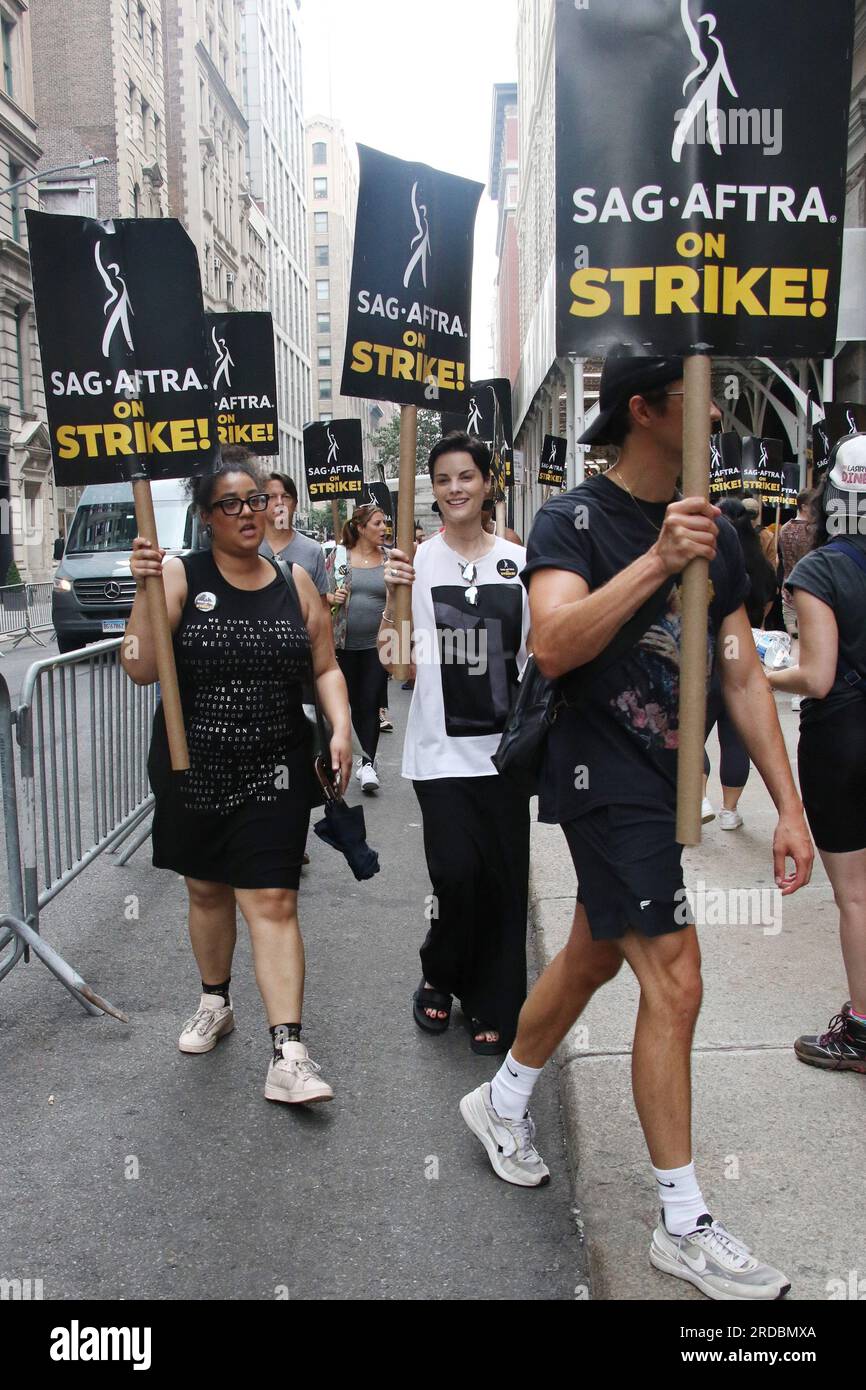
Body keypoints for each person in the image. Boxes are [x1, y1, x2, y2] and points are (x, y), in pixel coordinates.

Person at [459, 349, 813, 1300]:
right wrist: (660, 557)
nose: (725, 410)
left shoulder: (723, 535)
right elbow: (554, 640)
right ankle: (684, 1221)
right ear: (649, 410)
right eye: (711, 395)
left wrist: (788, 806)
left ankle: (502, 1100)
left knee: (596, 953)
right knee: (678, 976)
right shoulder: (572, 518)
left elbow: (739, 671)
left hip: (667, 777)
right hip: (597, 770)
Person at [122, 456, 352, 1105]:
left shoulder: (295, 581)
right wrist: (144, 591)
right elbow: (139, 667)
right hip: (193, 766)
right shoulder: (177, 575)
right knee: (207, 890)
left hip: (274, 768)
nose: (250, 512)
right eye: (232, 503)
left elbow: (327, 666)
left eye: (257, 500)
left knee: (273, 899)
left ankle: (289, 1053)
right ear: (206, 517)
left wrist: (340, 727)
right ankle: (215, 1001)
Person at [380, 432, 531, 1053]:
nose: (455, 489)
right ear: (433, 490)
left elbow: (537, 653)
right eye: (443, 480)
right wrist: (394, 596)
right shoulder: (416, 565)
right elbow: (396, 667)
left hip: (505, 756)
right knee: (456, 876)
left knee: (503, 883)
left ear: (487, 482)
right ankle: (441, 971)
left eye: (466, 476)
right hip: (439, 754)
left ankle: (494, 1001)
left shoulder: (521, 563)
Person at [767, 439, 866, 1073]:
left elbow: (819, 675)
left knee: (856, 896)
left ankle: (860, 1029)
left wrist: (761, 670)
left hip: (843, 739)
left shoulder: (822, 569)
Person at [701, 498, 778, 829]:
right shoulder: (761, 563)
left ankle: (698, 797)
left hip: (704, 657)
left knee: (691, 733)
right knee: (735, 739)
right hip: (744, 654)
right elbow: (770, 598)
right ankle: (729, 811)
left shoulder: (706, 556)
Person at [325, 501, 390, 793]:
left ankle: (367, 763)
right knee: (342, 706)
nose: (383, 528)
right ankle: (337, 760)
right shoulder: (338, 557)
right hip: (341, 646)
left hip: (376, 648)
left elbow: (401, 602)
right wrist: (331, 598)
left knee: (369, 703)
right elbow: (319, 594)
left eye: (384, 523)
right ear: (360, 528)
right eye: (377, 523)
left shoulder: (390, 559)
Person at [260, 472, 329, 604]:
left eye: (285, 496)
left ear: (295, 503)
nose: (279, 502)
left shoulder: (313, 550)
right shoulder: (247, 547)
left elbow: (322, 605)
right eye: (272, 497)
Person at [777, 489, 816, 712]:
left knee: (796, 641)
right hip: (811, 593)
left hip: (788, 593)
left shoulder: (783, 529)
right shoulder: (813, 532)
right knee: (809, 641)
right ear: (804, 506)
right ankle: (803, 691)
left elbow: (781, 559)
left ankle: (795, 693)